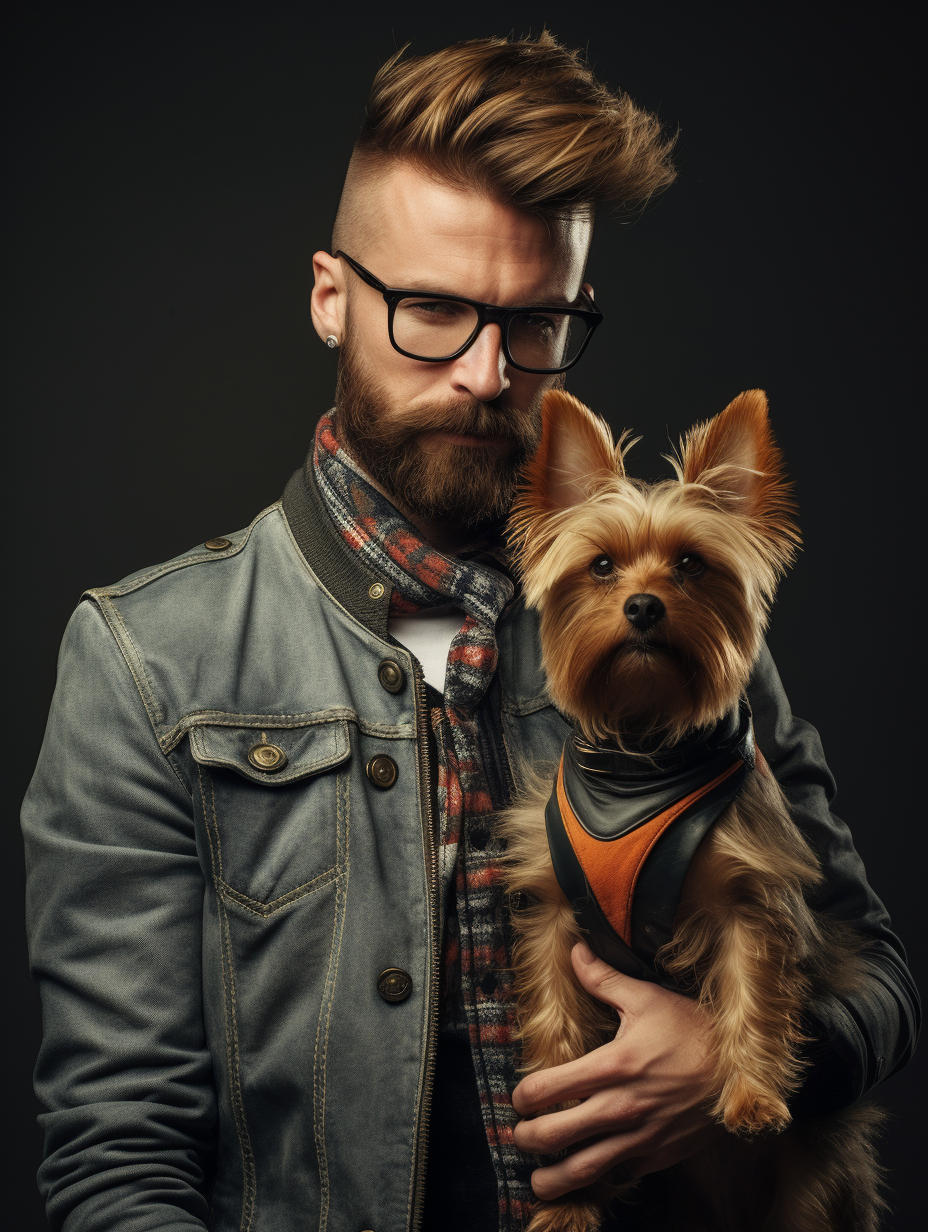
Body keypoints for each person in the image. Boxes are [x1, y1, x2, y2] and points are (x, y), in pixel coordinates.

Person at [22, 32, 918, 1232]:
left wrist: (737, 1063)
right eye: (433, 310)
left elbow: (884, 982)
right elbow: (118, 1154)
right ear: (329, 296)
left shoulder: (689, 639)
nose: (489, 371)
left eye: (536, 319)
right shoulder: (149, 660)